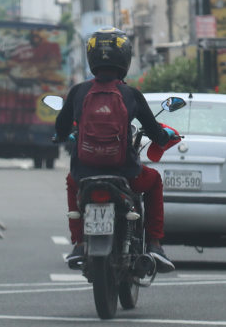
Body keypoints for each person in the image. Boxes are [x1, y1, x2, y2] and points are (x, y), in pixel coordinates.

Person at [54, 27, 177, 272]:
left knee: (71, 181)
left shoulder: (78, 92)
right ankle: (154, 245)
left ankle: (79, 244)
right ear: (125, 58)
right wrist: (165, 136)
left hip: (85, 172)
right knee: (154, 181)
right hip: (126, 173)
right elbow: (154, 132)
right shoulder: (130, 94)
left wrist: (59, 137)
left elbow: (60, 128)